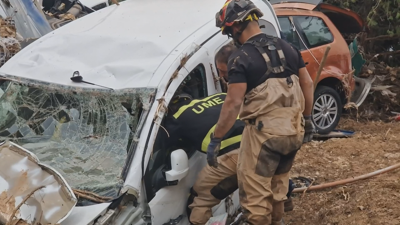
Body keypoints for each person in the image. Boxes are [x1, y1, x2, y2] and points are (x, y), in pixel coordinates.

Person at [208, 0, 315, 224]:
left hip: (264, 135)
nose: (231, 36)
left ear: (236, 26)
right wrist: (308, 119)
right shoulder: (288, 48)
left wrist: (217, 138)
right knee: (278, 186)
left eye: (229, 31)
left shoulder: (240, 58)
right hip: (293, 130)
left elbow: (233, 103)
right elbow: (307, 83)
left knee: (255, 194)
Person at [163, 93, 295, 224]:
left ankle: (198, 220)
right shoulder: (220, 95)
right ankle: (280, 213)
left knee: (201, 198)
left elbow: (163, 145)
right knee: (275, 182)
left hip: (239, 154)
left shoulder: (175, 118)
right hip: (269, 142)